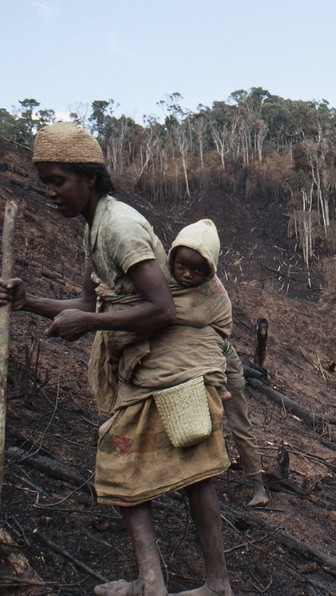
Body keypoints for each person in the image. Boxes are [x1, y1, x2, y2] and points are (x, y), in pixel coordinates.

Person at [0, 122, 233, 596]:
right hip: (148, 370)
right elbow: (90, 304)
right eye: (45, 181)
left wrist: (87, 326)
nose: (50, 192)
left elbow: (161, 309)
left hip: (172, 367)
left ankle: (202, 584)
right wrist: (28, 302)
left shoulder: (120, 228)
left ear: (89, 178)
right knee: (153, 471)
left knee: (176, 468)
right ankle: (166, 583)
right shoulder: (96, 229)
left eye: (58, 180)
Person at [168, 219, 270, 507]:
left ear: (210, 268)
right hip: (183, 366)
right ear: (172, 258)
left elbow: (219, 336)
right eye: (182, 267)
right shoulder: (161, 283)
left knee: (239, 422)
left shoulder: (216, 296)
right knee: (190, 424)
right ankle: (188, 479)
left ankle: (258, 486)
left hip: (223, 364)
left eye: (197, 270)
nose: (187, 275)